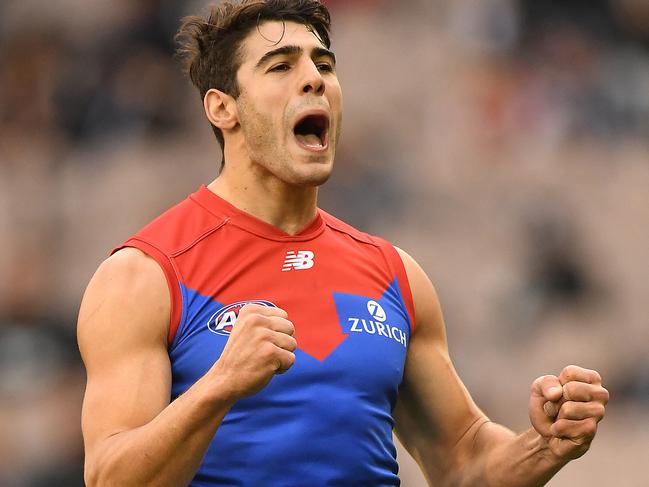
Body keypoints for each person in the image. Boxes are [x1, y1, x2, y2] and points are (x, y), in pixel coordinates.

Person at [77, 1, 609, 485]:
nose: (314, 80)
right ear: (223, 108)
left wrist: (545, 446)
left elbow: (463, 459)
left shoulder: (393, 272)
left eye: (324, 65)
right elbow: (110, 479)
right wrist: (219, 385)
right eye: (281, 66)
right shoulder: (145, 274)